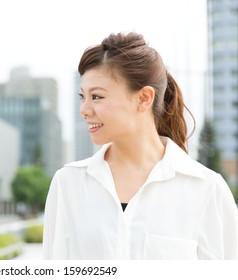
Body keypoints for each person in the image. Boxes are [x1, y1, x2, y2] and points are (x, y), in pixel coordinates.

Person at [42, 32, 238, 260]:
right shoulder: (68, 183)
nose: (84, 110)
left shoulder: (207, 189)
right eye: (82, 96)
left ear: (144, 98)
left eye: (96, 97)